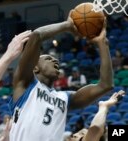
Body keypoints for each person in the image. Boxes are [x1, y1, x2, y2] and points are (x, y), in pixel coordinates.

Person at [10, 11, 113, 141]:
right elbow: (36, 36)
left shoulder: (66, 98)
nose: (55, 61)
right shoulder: (25, 84)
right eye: (48, 58)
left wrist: (103, 44)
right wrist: (67, 25)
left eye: (56, 60)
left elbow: (105, 85)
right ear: (35, 67)